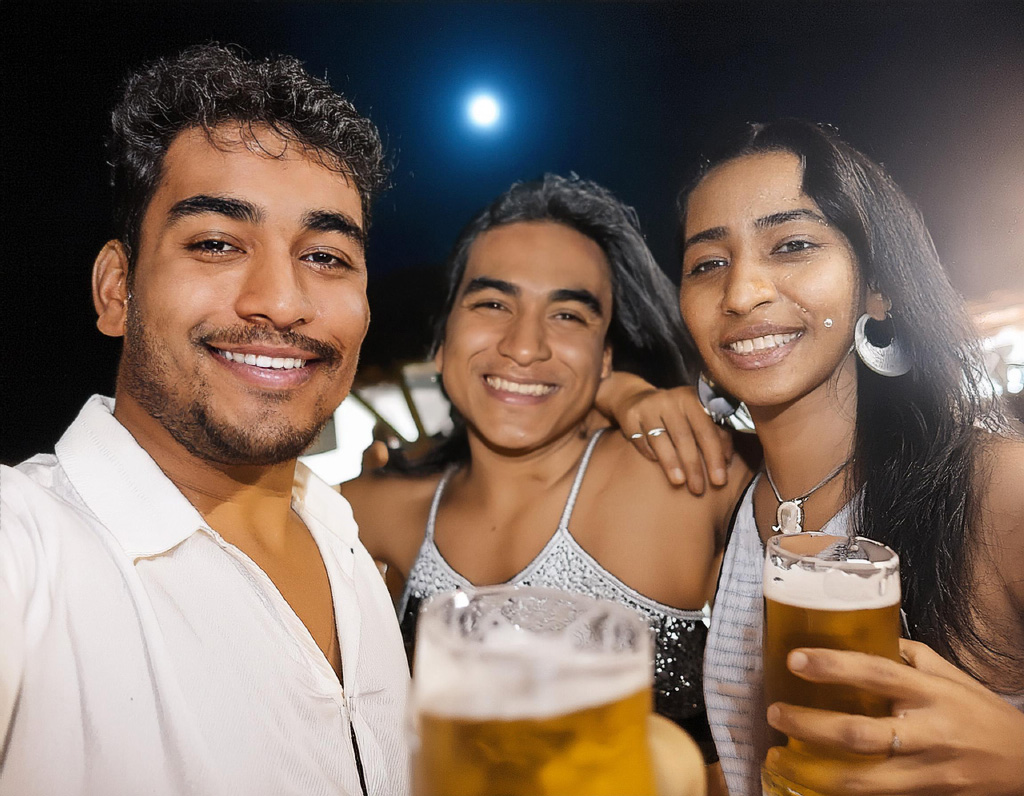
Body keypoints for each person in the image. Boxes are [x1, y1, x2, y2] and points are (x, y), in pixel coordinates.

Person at [0, 45, 410, 795]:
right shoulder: (26, 550)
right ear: (117, 289)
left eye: (326, 256)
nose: (282, 302)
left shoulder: (344, 540)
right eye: (218, 244)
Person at [602, 119, 1024, 795]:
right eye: (708, 263)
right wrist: (617, 389)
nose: (741, 293)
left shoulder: (994, 485)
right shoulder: (729, 492)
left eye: (792, 244)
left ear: (877, 287)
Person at [340, 174, 752, 792]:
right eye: (492, 304)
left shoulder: (684, 472)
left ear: (606, 353)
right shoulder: (373, 510)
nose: (525, 345)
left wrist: (615, 393)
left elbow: (838, 482)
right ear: (443, 335)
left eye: (568, 315)